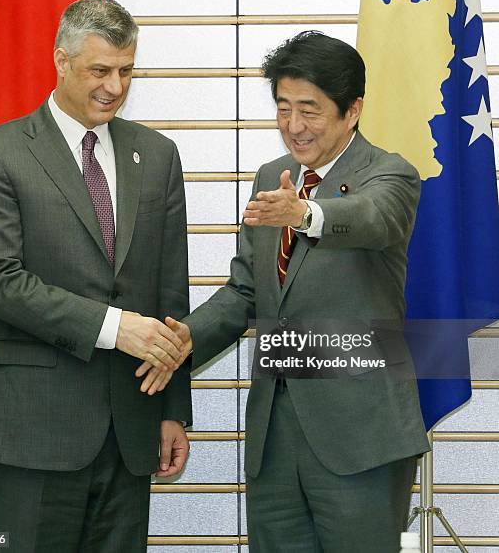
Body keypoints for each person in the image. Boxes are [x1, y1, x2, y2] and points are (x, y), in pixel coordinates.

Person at [140, 31, 430, 552]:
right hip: (275, 437)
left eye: (310, 111)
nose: (293, 127)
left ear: (352, 110)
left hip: (360, 436)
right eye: (283, 108)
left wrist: (304, 212)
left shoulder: (389, 174)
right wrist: (185, 339)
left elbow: (371, 219)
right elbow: (245, 291)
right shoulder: (271, 180)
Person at [0, 0, 191, 553]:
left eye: (127, 71)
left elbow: (170, 291)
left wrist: (172, 409)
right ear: (61, 61)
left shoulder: (158, 155)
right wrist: (117, 328)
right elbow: (0, 282)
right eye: (100, 70)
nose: (115, 85)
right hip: (33, 433)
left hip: (132, 432)